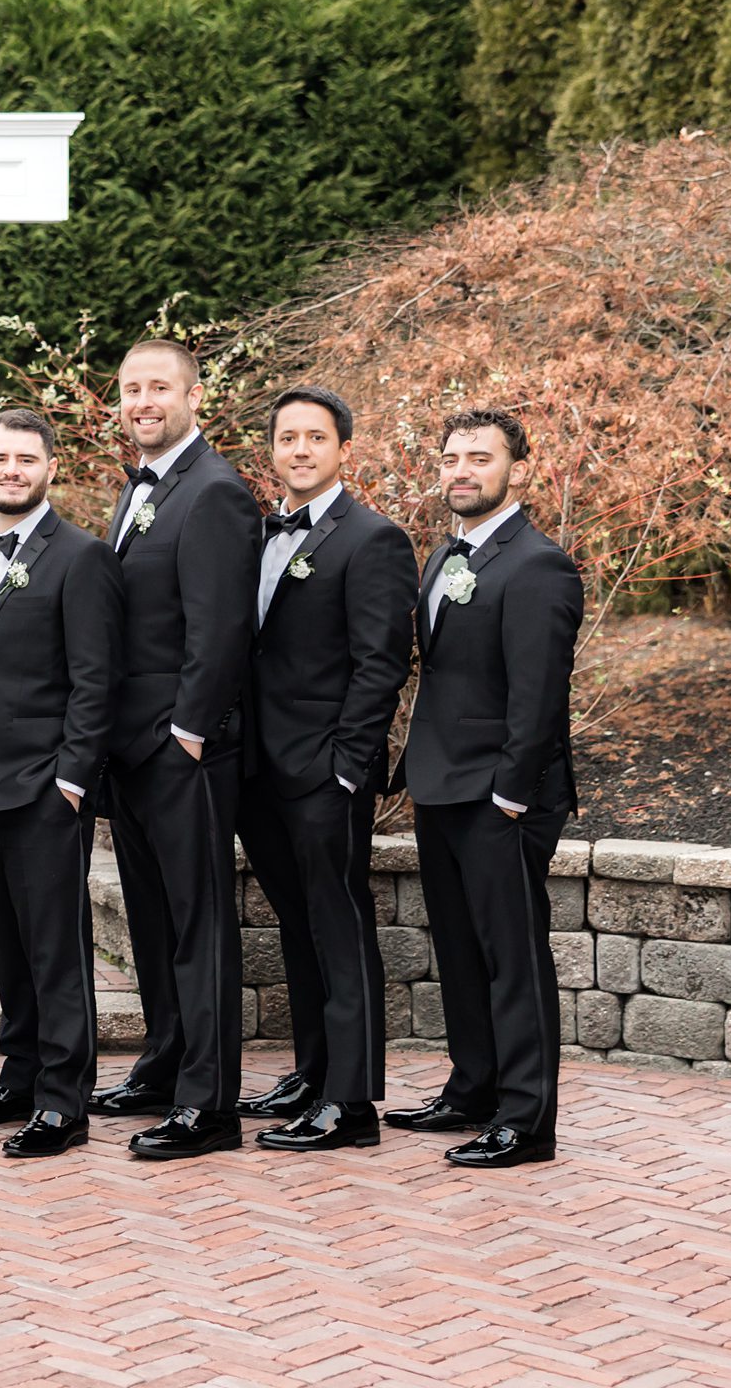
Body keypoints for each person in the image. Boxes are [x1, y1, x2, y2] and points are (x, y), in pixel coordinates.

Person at [389, 409, 582, 1168]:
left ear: (516, 470)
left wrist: (510, 792)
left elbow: (539, 693)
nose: (460, 470)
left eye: (479, 457)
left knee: (513, 957)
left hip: (503, 796)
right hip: (443, 784)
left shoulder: (537, 564)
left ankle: (526, 1119)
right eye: (449, 458)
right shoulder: (444, 556)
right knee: (462, 951)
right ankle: (472, 1089)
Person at [89, 340, 261, 1161]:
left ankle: (210, 1105)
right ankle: (162, 1063)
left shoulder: (218, 491)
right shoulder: (148, 488)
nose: (143, 401)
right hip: (133, 746)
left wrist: (188, 733)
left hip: (181, 748)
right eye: (131, 389)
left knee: (198, 925)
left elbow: (223, 625)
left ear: (196, 397)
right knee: (154, 922)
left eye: (159, 387)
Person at [0, 410, 123, 1159]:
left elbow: (96, 678)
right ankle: (19, 1075)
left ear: (49, 467)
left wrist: (72, 781)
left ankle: (63, 1099)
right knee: (6, 944)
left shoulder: (81, 557)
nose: (10, 469)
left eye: (25, 458)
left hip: (45, 787)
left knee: (56, 947)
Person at [236, 388, 416, 1152]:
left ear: (343, 449)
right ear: (271, 451)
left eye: (315, 438)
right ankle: (312, 1072)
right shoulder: (256, 534)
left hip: (324, 775)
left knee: (340, 929)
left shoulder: (371, 539)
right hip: (258, 772)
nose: (300, 450)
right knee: (300, 927)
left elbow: (382, 665)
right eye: (287, 438)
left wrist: (347, 769)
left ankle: (351, 1104)